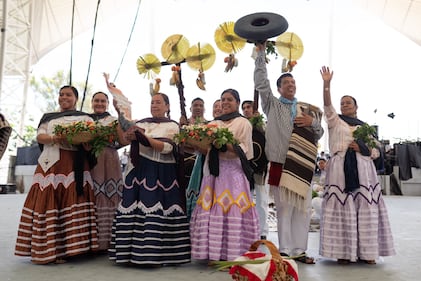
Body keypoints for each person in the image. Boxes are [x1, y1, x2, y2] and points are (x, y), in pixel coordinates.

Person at [254, 42, 324, 264]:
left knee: (302, 210)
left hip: (302, 166)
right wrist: (260, 53)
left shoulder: (308, 110)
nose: (291, 85)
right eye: (286, 82)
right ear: (278, 88)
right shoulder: (272, 105)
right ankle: (284, 251)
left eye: (293, 82)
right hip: (280, 164)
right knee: (283, 209)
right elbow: (260, 82)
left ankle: (300, 251)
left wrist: (311, 122)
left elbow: (320, 133)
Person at [319, 66, 395, 264]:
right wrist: (327, 84)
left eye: (348, 103)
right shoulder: (335, 122)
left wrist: (364, 148)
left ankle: (368, 252)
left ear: (356, 107)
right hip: (339, 170)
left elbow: (377, 152)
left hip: (363, 171)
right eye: (342, 103)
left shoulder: (364, 127)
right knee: (342, 206)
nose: (344, 105)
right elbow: (327, 106)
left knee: (365, 206)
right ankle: (344, 252)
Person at [15, 85, 99, 264]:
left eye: (68, 94)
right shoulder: (48, 117)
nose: (63, 97)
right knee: (48, 201)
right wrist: (56, 138)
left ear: (76, 98)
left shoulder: (85, 118)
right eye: (61, 94)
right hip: (51, 164)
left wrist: (86, 143)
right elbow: (40, 136)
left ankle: (74, 249)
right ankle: (49, 250)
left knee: (73, 200)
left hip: (75, 163)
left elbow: (91, 141)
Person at [108, 92, 191, 266]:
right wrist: (119, 115)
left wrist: (145, 139)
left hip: (162, 173)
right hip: (138, 172)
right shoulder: (141, 122)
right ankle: (129, 254)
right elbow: (124, 138)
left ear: (167, 107)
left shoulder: (173, 126)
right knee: (133, 208)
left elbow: (168, 147)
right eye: (152, 102)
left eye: (159, 102)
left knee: (157, 208)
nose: (154, 105)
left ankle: (156, 256)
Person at [190, 88, 259, 261]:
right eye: (223, 99)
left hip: (233, 174)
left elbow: (243, 150)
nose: (225, 102)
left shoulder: (243, 123)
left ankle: (234, 253)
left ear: (237, 102)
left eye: (229, 99)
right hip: (214, 173)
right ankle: (212, 253)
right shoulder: (214, 124)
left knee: (232, 208)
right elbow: (207, 148)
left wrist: (223, 145)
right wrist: (193, 142)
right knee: (213, 208)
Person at [89, 91, 124, 251]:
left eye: (103, 101)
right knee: (93, 193)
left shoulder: (113, 121)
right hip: (90, 160)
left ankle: (109, 240)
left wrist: (111, 142)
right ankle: (92, 241)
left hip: (110, 159)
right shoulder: (85, 120)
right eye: (97, 100)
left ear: (107, 104)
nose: (100, 104)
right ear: (92, 102)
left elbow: (123, 141)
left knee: (110, 194)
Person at [241, 100, 270, 240]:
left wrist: (258, 124)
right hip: (245, 168)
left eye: (249, 107)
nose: (247, 110)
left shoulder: (261, 124)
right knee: (246, 198)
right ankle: (247, 228)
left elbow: (267, 139)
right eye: (244, 108)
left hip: (260, 168)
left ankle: (262, 231)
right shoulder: (241, 124)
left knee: (262, 200)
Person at [182, 98, 207, 219]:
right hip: (184, 165)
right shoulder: (183, 124)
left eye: (201, 105)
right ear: (190, 108)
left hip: (202, 167)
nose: (198, 108)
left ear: (204, 108)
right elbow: (179, 143)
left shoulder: (209, 125)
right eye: (195, 105)